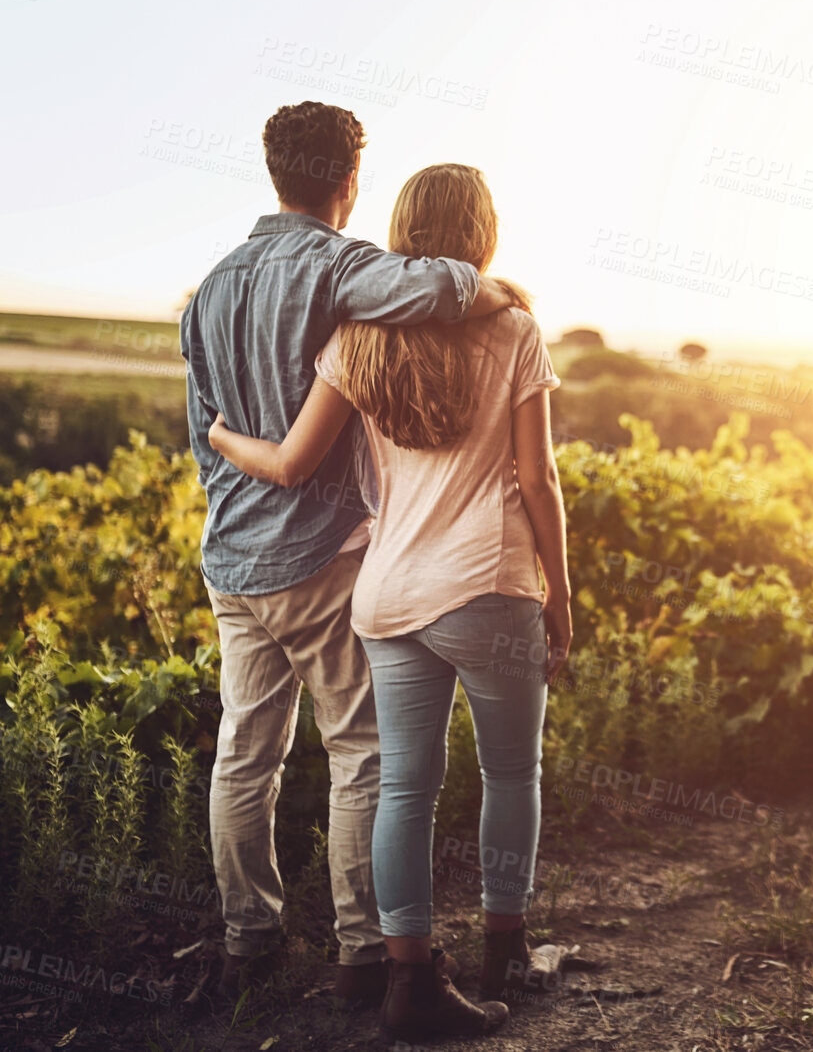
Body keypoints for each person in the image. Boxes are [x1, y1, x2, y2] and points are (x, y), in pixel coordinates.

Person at [208, 162, 572, 1041]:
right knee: (508, 773)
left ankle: (407, 981)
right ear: (481, 232)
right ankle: (503, 947)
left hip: (386, 594)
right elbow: (537, 477)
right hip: (488, 587)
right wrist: (560, 593)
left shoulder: (358, 339)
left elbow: (292, 460)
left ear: (402, 233)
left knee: (404, 785)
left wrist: (220, 435)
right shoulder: (515, 328)